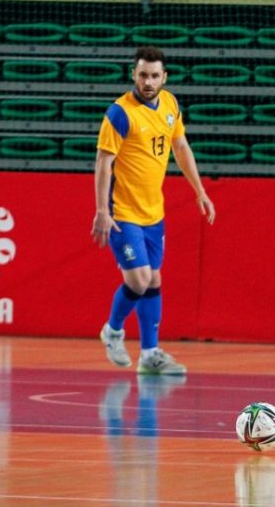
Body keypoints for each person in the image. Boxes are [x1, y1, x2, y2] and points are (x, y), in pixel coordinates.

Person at [92, 46, 215, 375]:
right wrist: (102, 210)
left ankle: (150, 354)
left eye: (154, 75)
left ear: (164, 77)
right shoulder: (120, 112)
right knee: (140, 278)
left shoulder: (170, 104)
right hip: (124, 213)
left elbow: (180, 146)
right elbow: (104, 163)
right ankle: (113, 330)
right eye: (143, 74)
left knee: (154, 279)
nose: (148, 81)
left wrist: (199, 191)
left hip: (153, 213)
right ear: (134, 74)